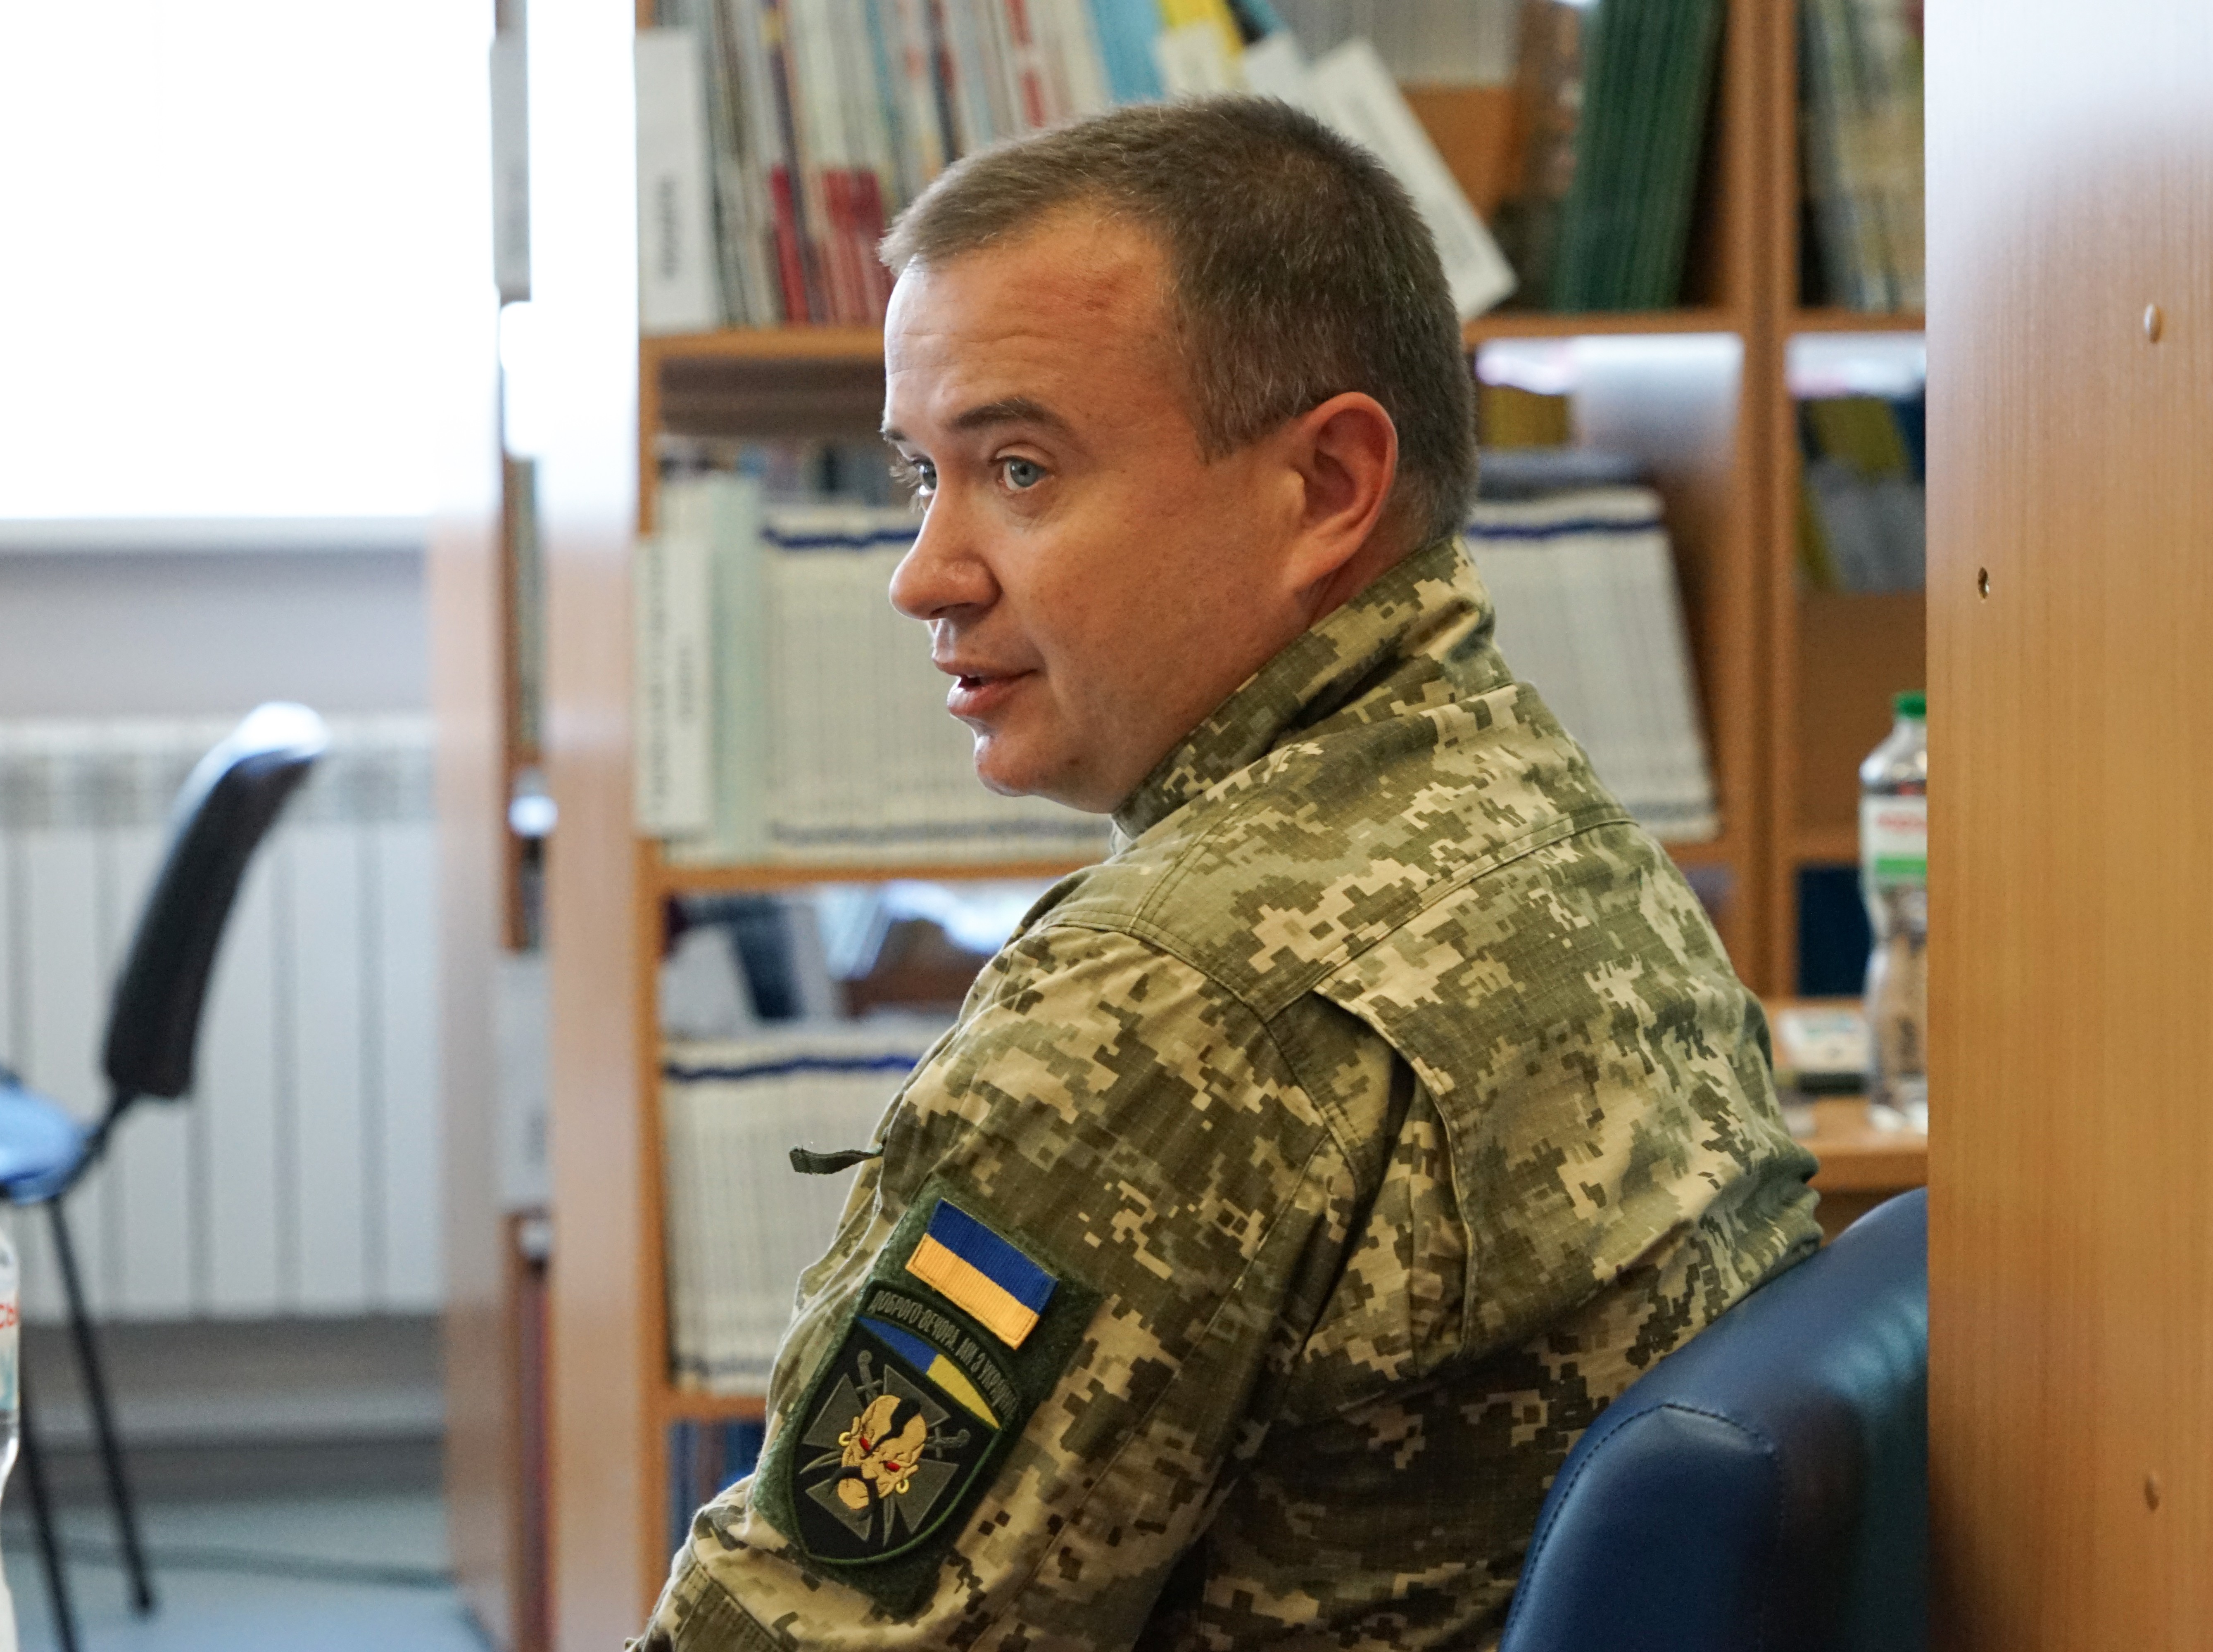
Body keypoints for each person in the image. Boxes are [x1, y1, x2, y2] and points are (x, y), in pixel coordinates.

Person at [634, 96, 1818, 1652]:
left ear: (1325, 487)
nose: (924, 575)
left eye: (1021, 468)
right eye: (924, 475)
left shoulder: (1172, 1008)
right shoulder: (1556, 825)